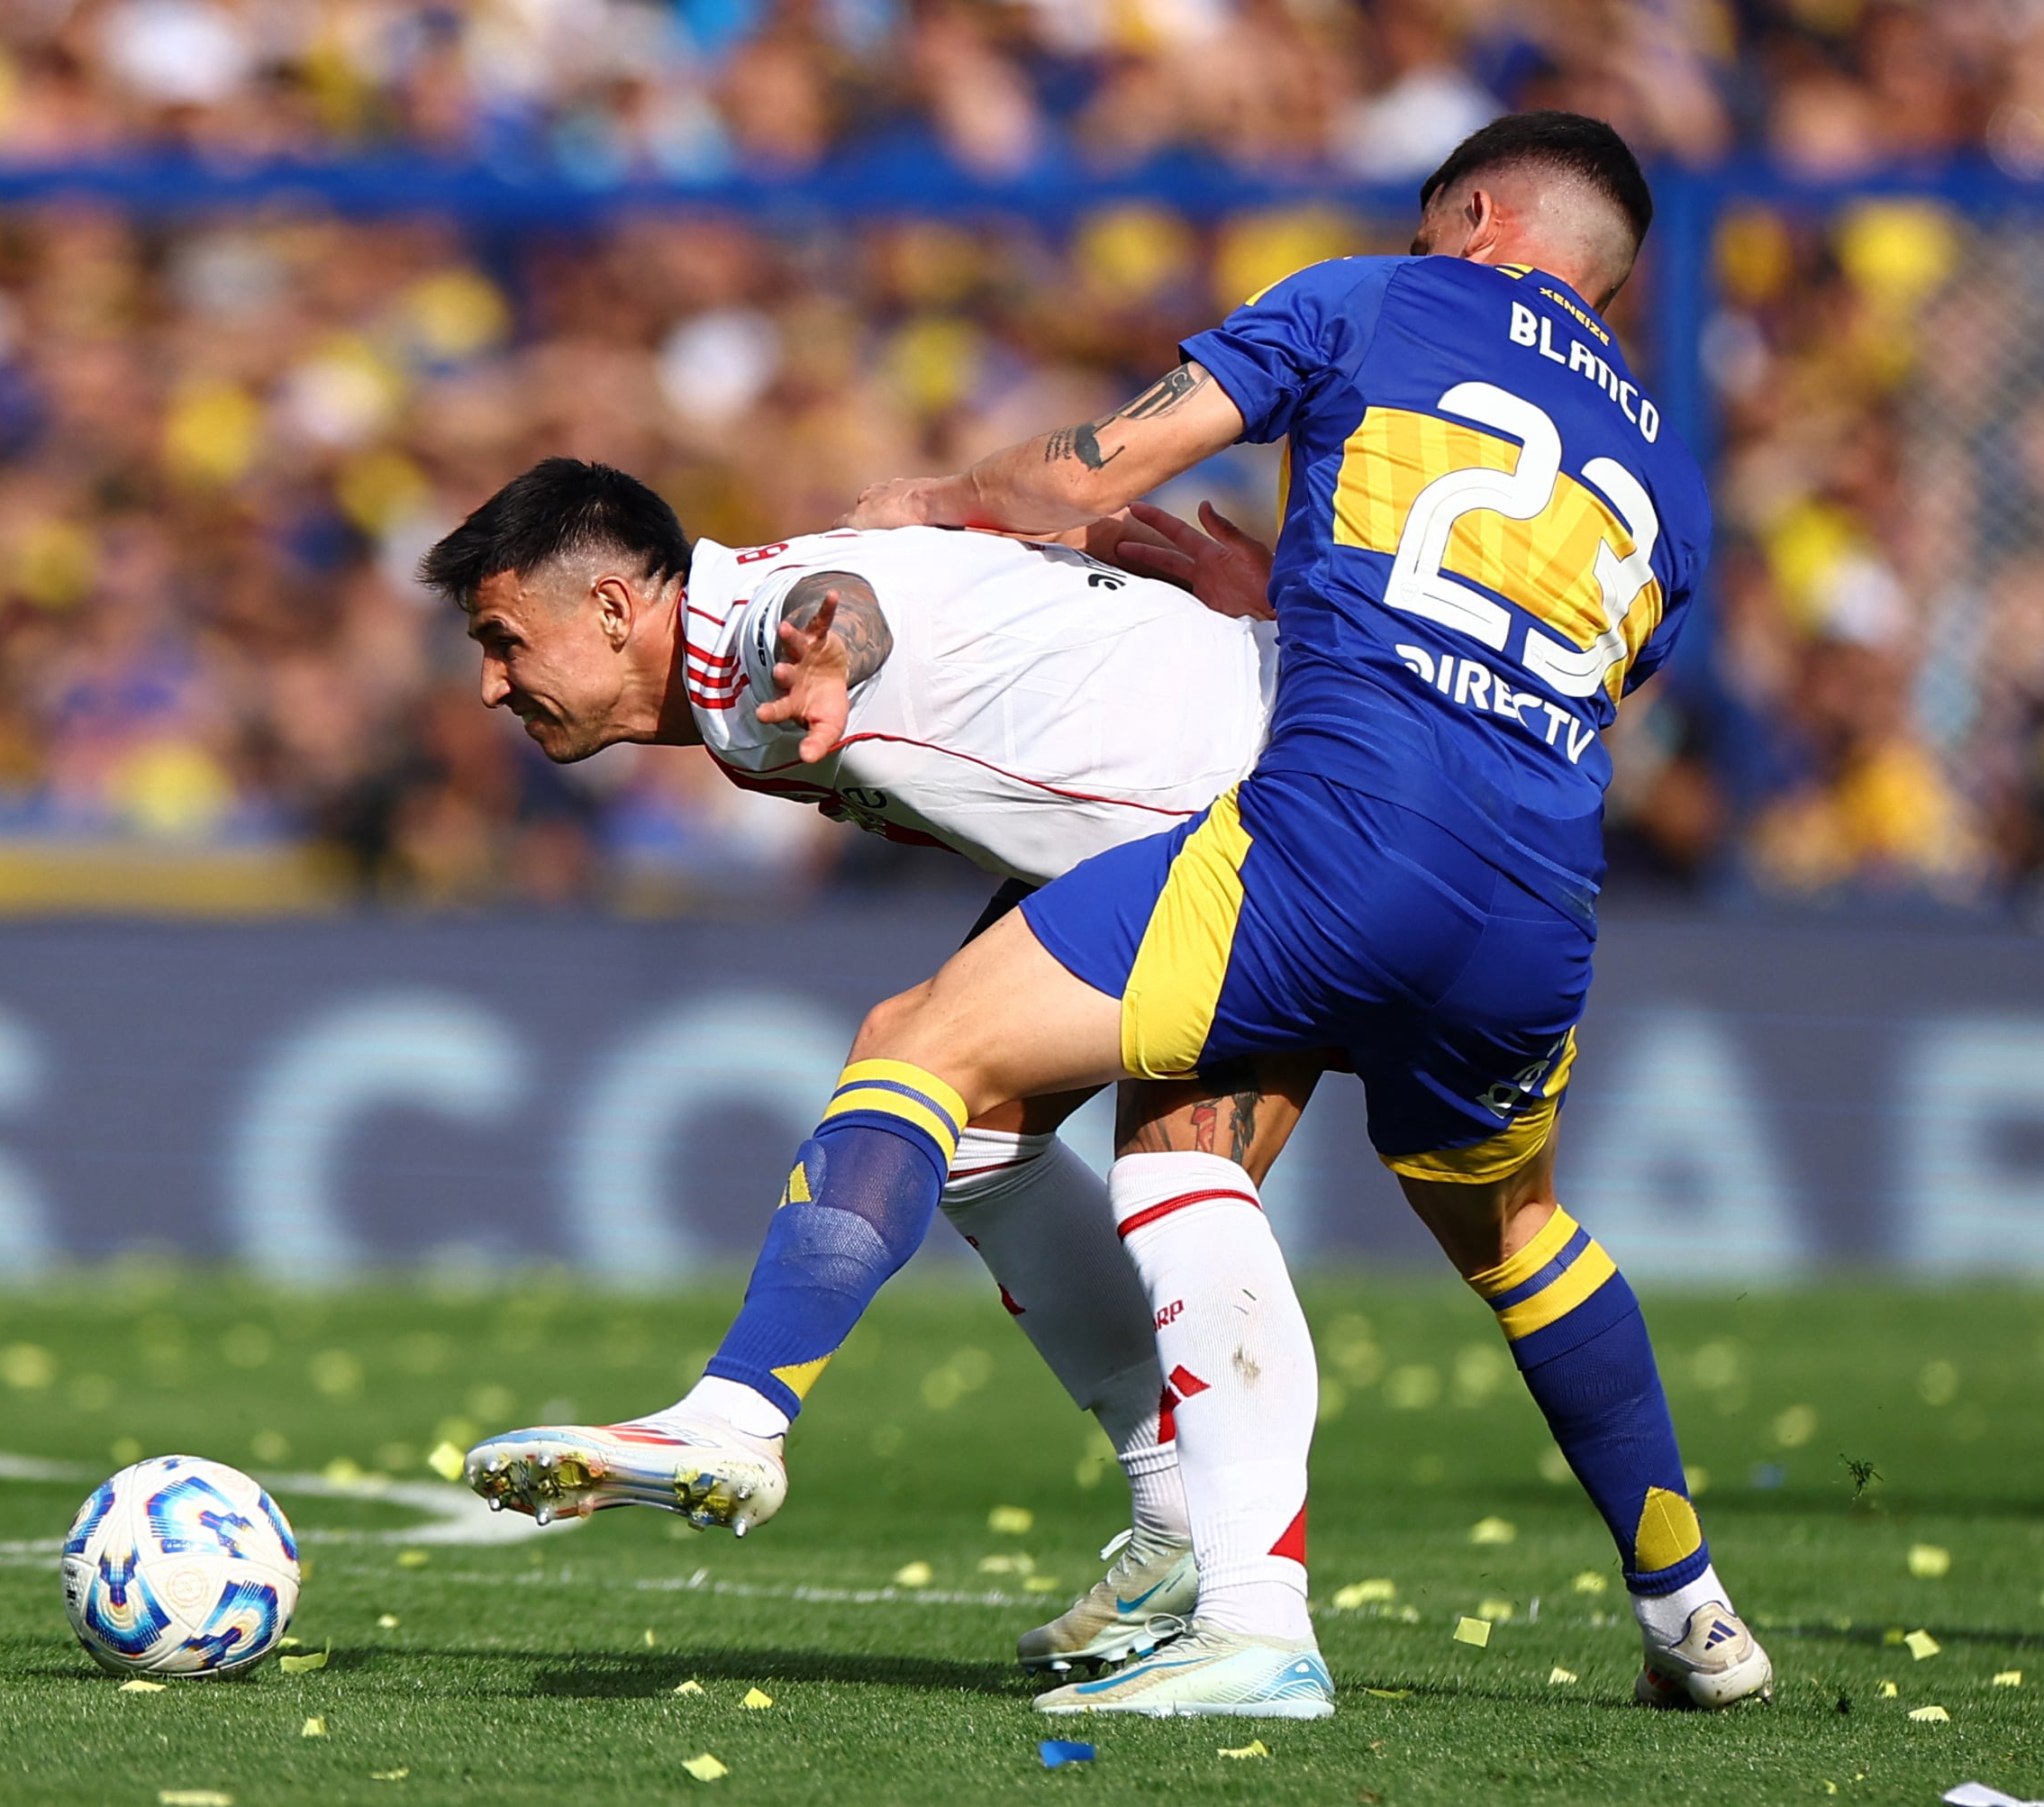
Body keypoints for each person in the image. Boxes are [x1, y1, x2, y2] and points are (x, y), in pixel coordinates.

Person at [466, 110, 1775, 1721]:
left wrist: (939, 497)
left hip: (1322, 831)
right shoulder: (1670, 477)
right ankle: (1692, 1613)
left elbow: (1041, 498)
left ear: (1477, 216)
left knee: (958, 1063)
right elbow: (1520, 654)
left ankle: (836, 1449)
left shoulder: (1372, 298)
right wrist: (1282, 623)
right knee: (1515, 1239)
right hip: (1534, 891)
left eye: (1431, 224)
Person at [421, 459, 1326, 1682]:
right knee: (971, 1130)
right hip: (1234, 800)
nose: (489, 686)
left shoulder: (747, 630)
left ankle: (740, 1413)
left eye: (502, 640)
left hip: (1277, 813)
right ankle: (1667, 1609)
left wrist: (834, 651)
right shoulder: (734, 648)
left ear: (616, 611)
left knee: (916, 1054)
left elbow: (835, 604)